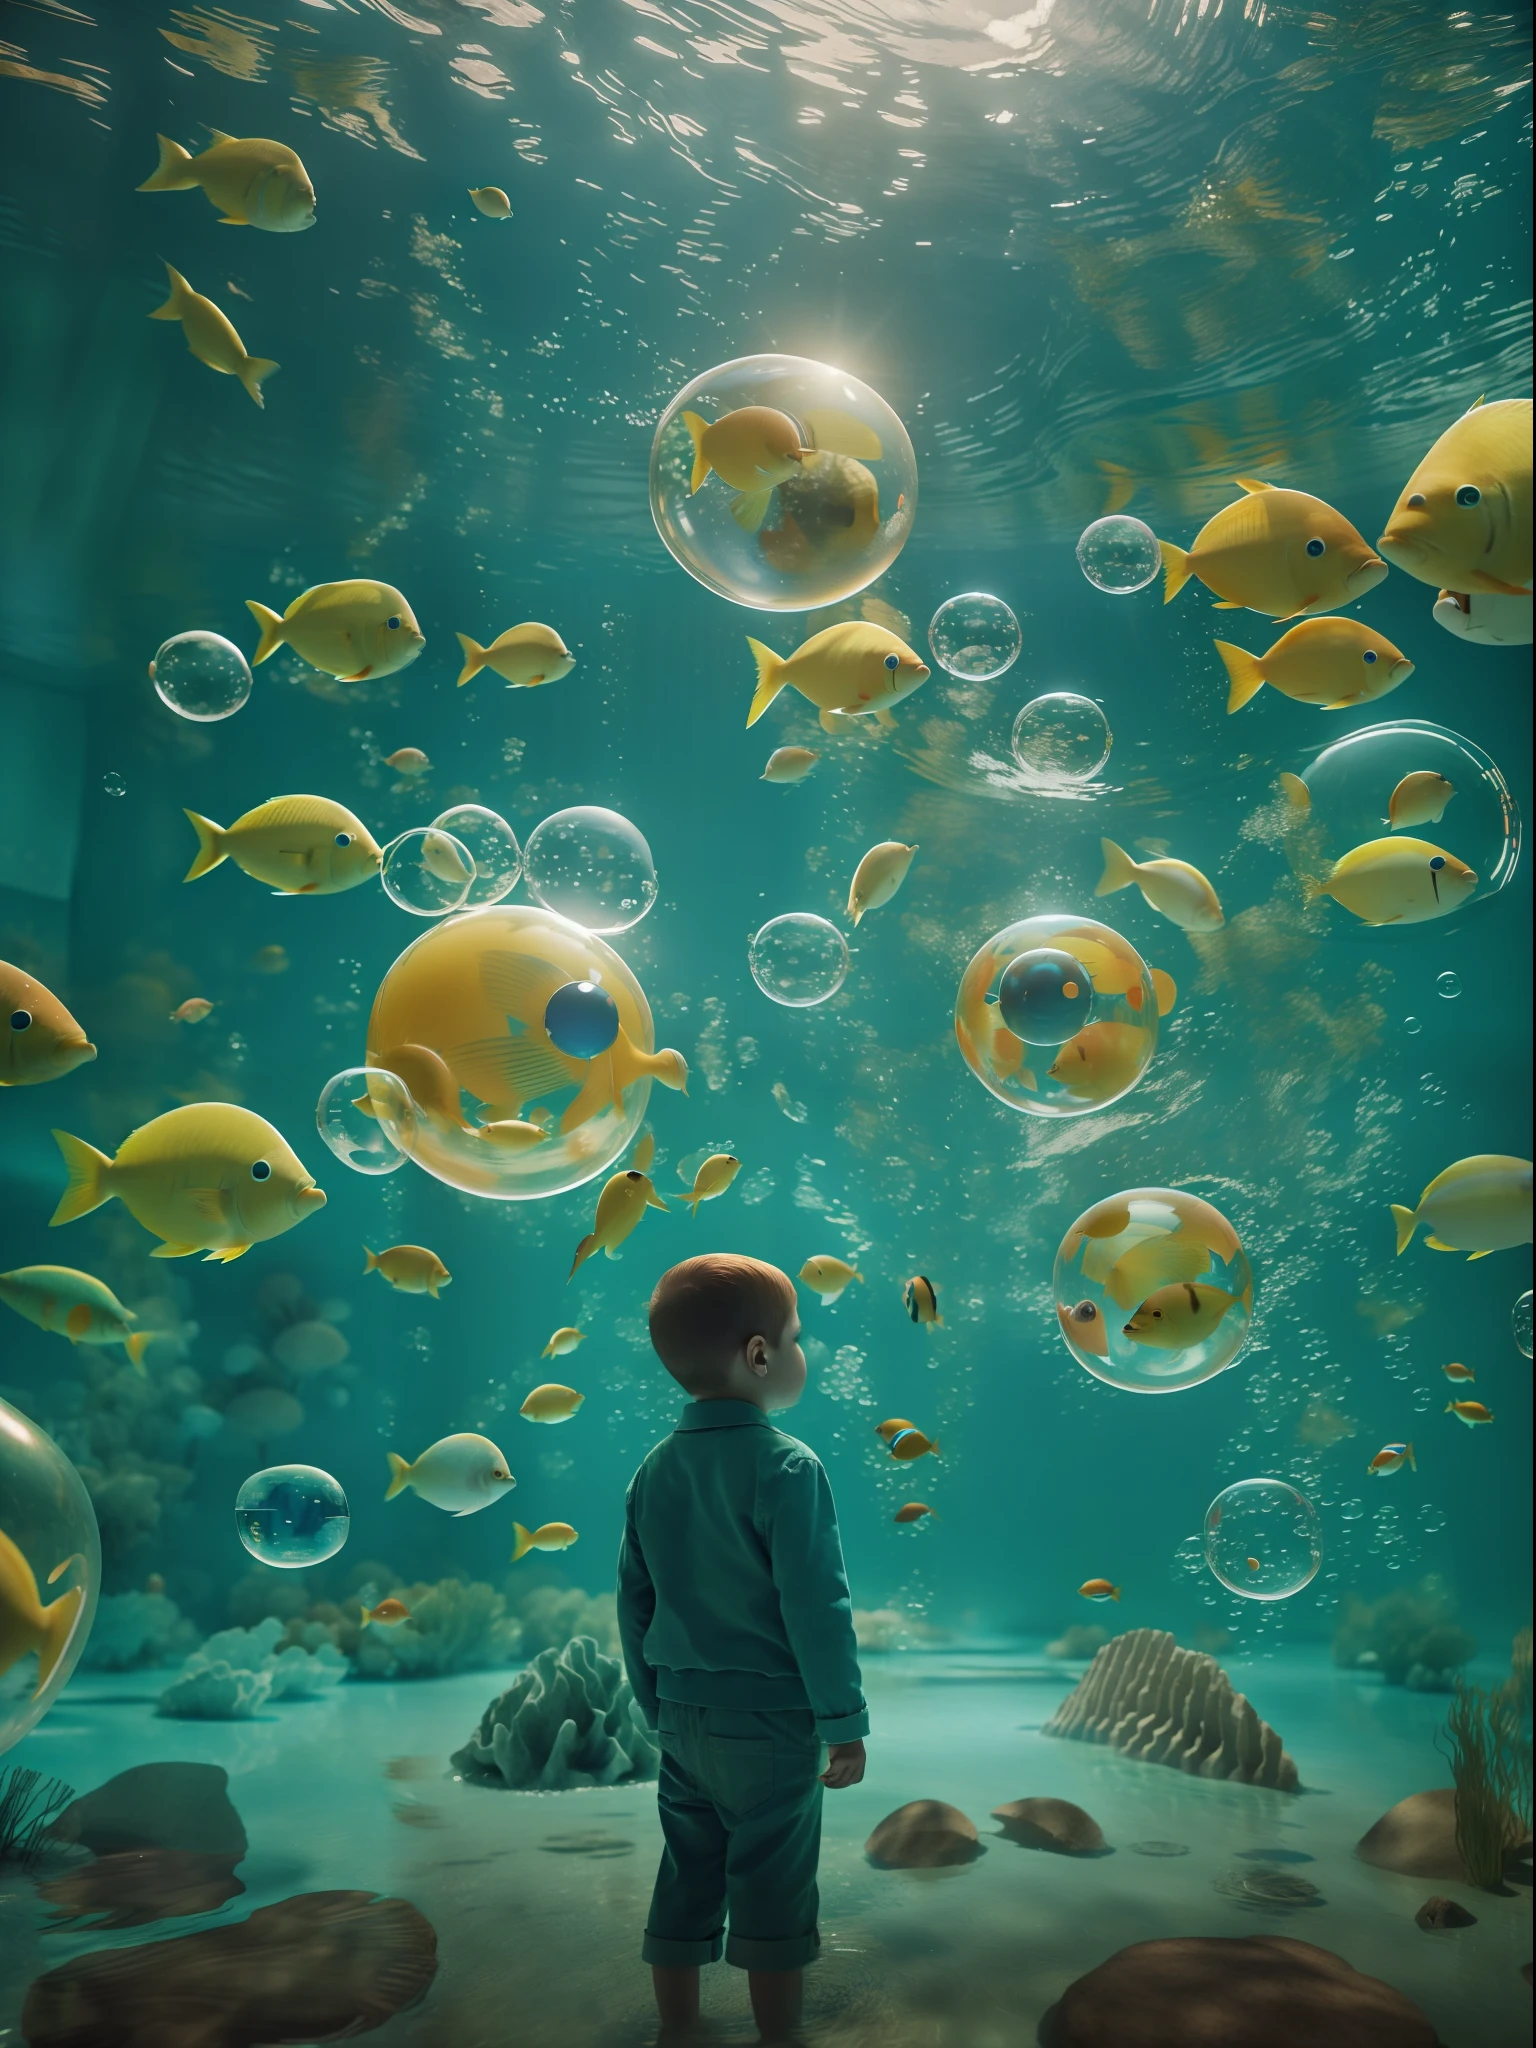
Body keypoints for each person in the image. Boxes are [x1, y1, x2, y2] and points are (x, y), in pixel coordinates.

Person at [617, 1253, 868, 2043]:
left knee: (687, 1869)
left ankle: (679, 2029)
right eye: (796, 1336)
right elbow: (816, 1604)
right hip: (769, 1721)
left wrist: (655, 1704)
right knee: (772, 1880)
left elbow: (634, 1600)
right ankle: (777, 2036)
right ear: (759, 1355)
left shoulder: (652, 1471)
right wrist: (842, 1718)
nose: (803, 1352)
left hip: (683, 1717)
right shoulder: (789, 1466)